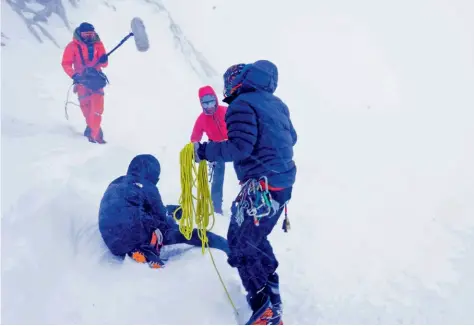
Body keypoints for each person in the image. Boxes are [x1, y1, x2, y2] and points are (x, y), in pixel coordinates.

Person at [193, 60, 297, 325]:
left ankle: (263, 307)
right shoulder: (277, 104)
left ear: (239, 81)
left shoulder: (241, 105)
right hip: (281, 186)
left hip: (261, 187)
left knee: (241, 243)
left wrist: (204, 151)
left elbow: (240, 147)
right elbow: (292, 137)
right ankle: (271, 293)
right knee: (255, 237)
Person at [98, 154, 229, 269]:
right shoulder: (146, 185)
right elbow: (162, 217)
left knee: (141, 217)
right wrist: (173, 222)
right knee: (176, 231)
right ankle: (225, 245)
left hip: (112, 241)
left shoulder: (116, 183)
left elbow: (134, 208)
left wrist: (172, 210)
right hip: (135, 233)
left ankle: (137, 250)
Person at [61, 22, 108, 144]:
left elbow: (105, 64)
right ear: (80, 34)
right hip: (81, 82)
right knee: (87, 111)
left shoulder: (98, 44)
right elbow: (66, 63)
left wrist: (104, 60)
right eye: (86, 34)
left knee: (97, 110)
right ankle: (92, 131)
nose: (89, 37)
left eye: (91, 34)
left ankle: (95, 136)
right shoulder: (72, 47)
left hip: (96, 80)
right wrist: (74, 75)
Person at [190, 85, 228, 214]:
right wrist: (195, 149)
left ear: (216, 100)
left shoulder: (226, 111)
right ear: (201, 104)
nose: (209, 106)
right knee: (217, 180)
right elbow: (195, 137)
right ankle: (216, 208)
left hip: (233, 145)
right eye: (205, 104)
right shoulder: (201, 119)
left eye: (211, 102)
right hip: (216, 149)